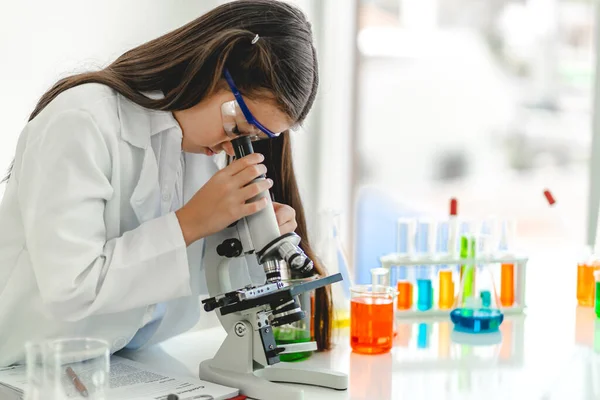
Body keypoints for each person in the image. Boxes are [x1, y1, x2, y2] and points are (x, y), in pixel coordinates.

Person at [0, 0, 332, 366]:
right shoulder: (82, 120)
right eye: (237, 129)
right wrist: (190, 223)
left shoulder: (195, 145)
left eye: (252, 136)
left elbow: (196, 290)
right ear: (215, 68)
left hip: (123, 363)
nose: (231, 146)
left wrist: (246, 237)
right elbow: (70, 288)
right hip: (25, 370)